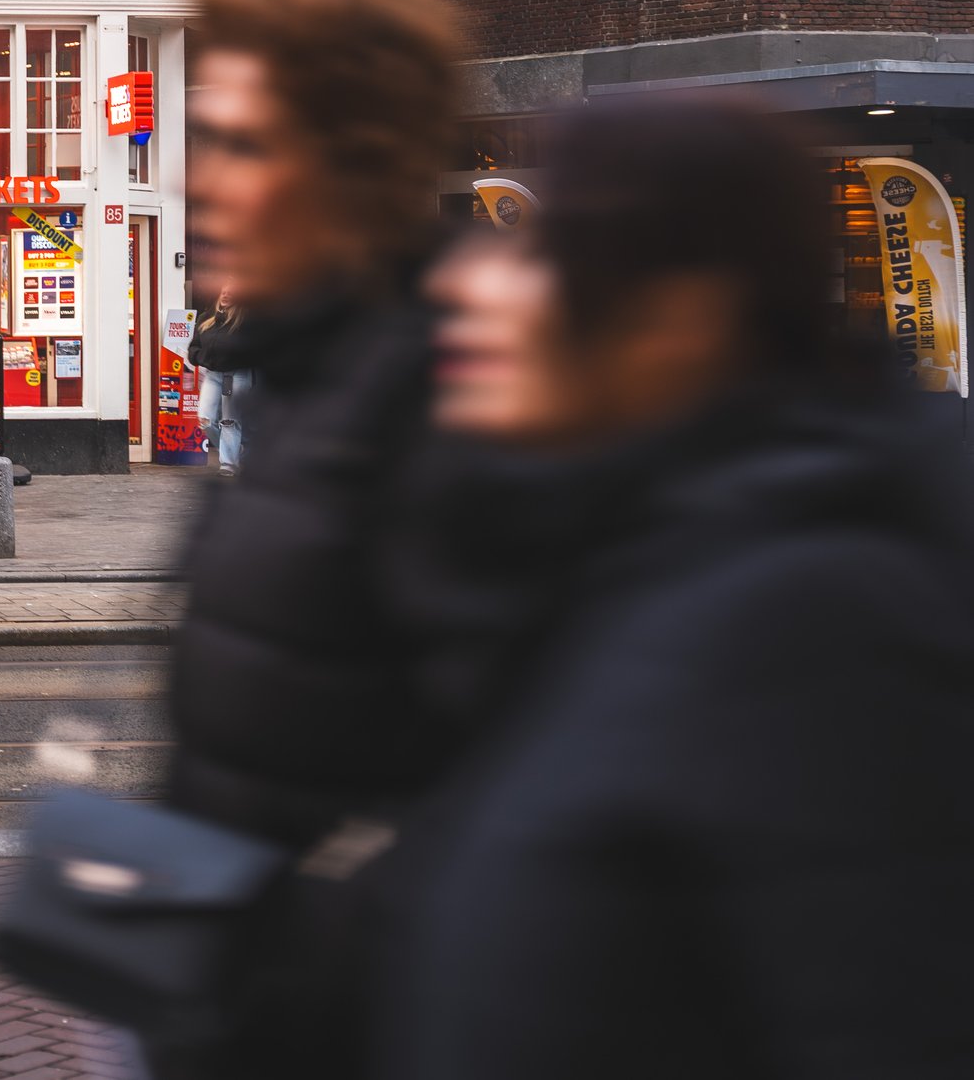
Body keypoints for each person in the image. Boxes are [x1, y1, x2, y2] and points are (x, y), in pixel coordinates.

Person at [371, 98, 974, 1080]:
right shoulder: (604, 560)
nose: (470, 278)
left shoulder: (820, 619)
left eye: (546, 252)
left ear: (677, 317)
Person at [149, 0, 464, 1079]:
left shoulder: (460, 407)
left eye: (243, 144)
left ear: (352, 166)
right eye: (203, 137)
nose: (201, 182)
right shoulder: (307, 382)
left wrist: (303, 981)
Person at [188, 285, 248, 476]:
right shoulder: (206, 318)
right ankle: (234, 448)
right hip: (213, 375)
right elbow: (195, 345)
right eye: (223, 291)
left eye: (232, 292)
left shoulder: (244, 321)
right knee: (204, 420)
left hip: (237, 374)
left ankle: (228, 464)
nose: (226, 294)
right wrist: (197, 357)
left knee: (230, 421)